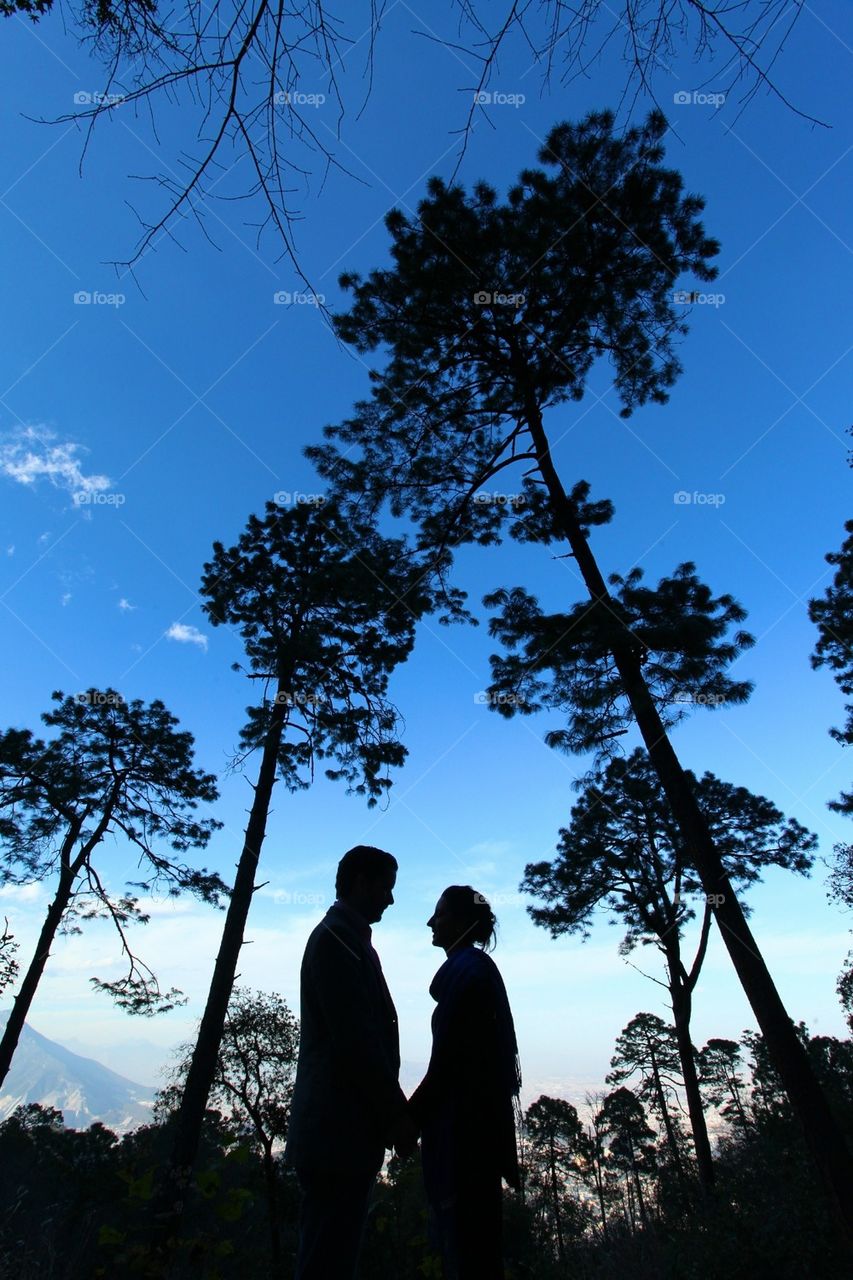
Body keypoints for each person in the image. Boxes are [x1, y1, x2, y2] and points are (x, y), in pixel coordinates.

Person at [285, 844, 416, 1279]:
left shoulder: (346, 939)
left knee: (331, 1254)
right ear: (361, 882)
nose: (391, 899)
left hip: (341, 1135)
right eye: (386, 887)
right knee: (328, 1260)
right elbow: (357, 1042)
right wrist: (395, 1114)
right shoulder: (337, 941)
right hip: (336, 1136)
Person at [409, 885, 521, 1280]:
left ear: (461, 923)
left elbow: (448, 1066)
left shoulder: (469, 976)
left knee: (468, 1256)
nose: (430, 922)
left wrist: (407, 1121)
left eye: (439, 914)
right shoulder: (474, 973)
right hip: (474, 1142)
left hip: (464, 1145)